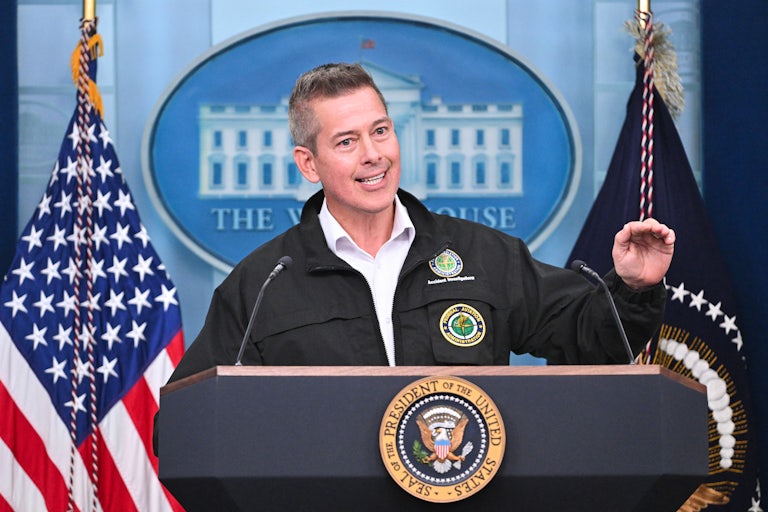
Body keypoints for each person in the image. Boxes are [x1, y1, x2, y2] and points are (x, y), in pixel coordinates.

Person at [165, 62, 675, 382]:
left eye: (380, 131)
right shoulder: (261, 284)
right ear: (308, 164)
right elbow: (191, 421)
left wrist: (633, 287)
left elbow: (592, 339)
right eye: (347, 141)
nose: (373, 155)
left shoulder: (482, 255)